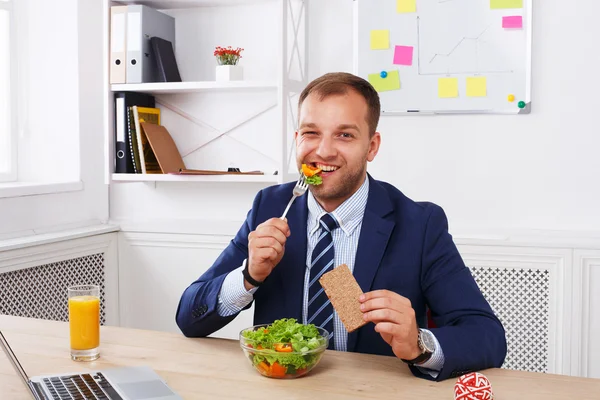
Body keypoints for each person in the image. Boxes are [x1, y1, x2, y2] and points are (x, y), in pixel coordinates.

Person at [175, 72, 507, 381]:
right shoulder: (271, 207)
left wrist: (418, 343)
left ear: (372, 146)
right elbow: (189, 317)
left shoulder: (420, 224)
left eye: (344, 135)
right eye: (311, 133)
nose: (323, 151)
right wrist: (248, 277)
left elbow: (487, 336)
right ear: (297, 139)